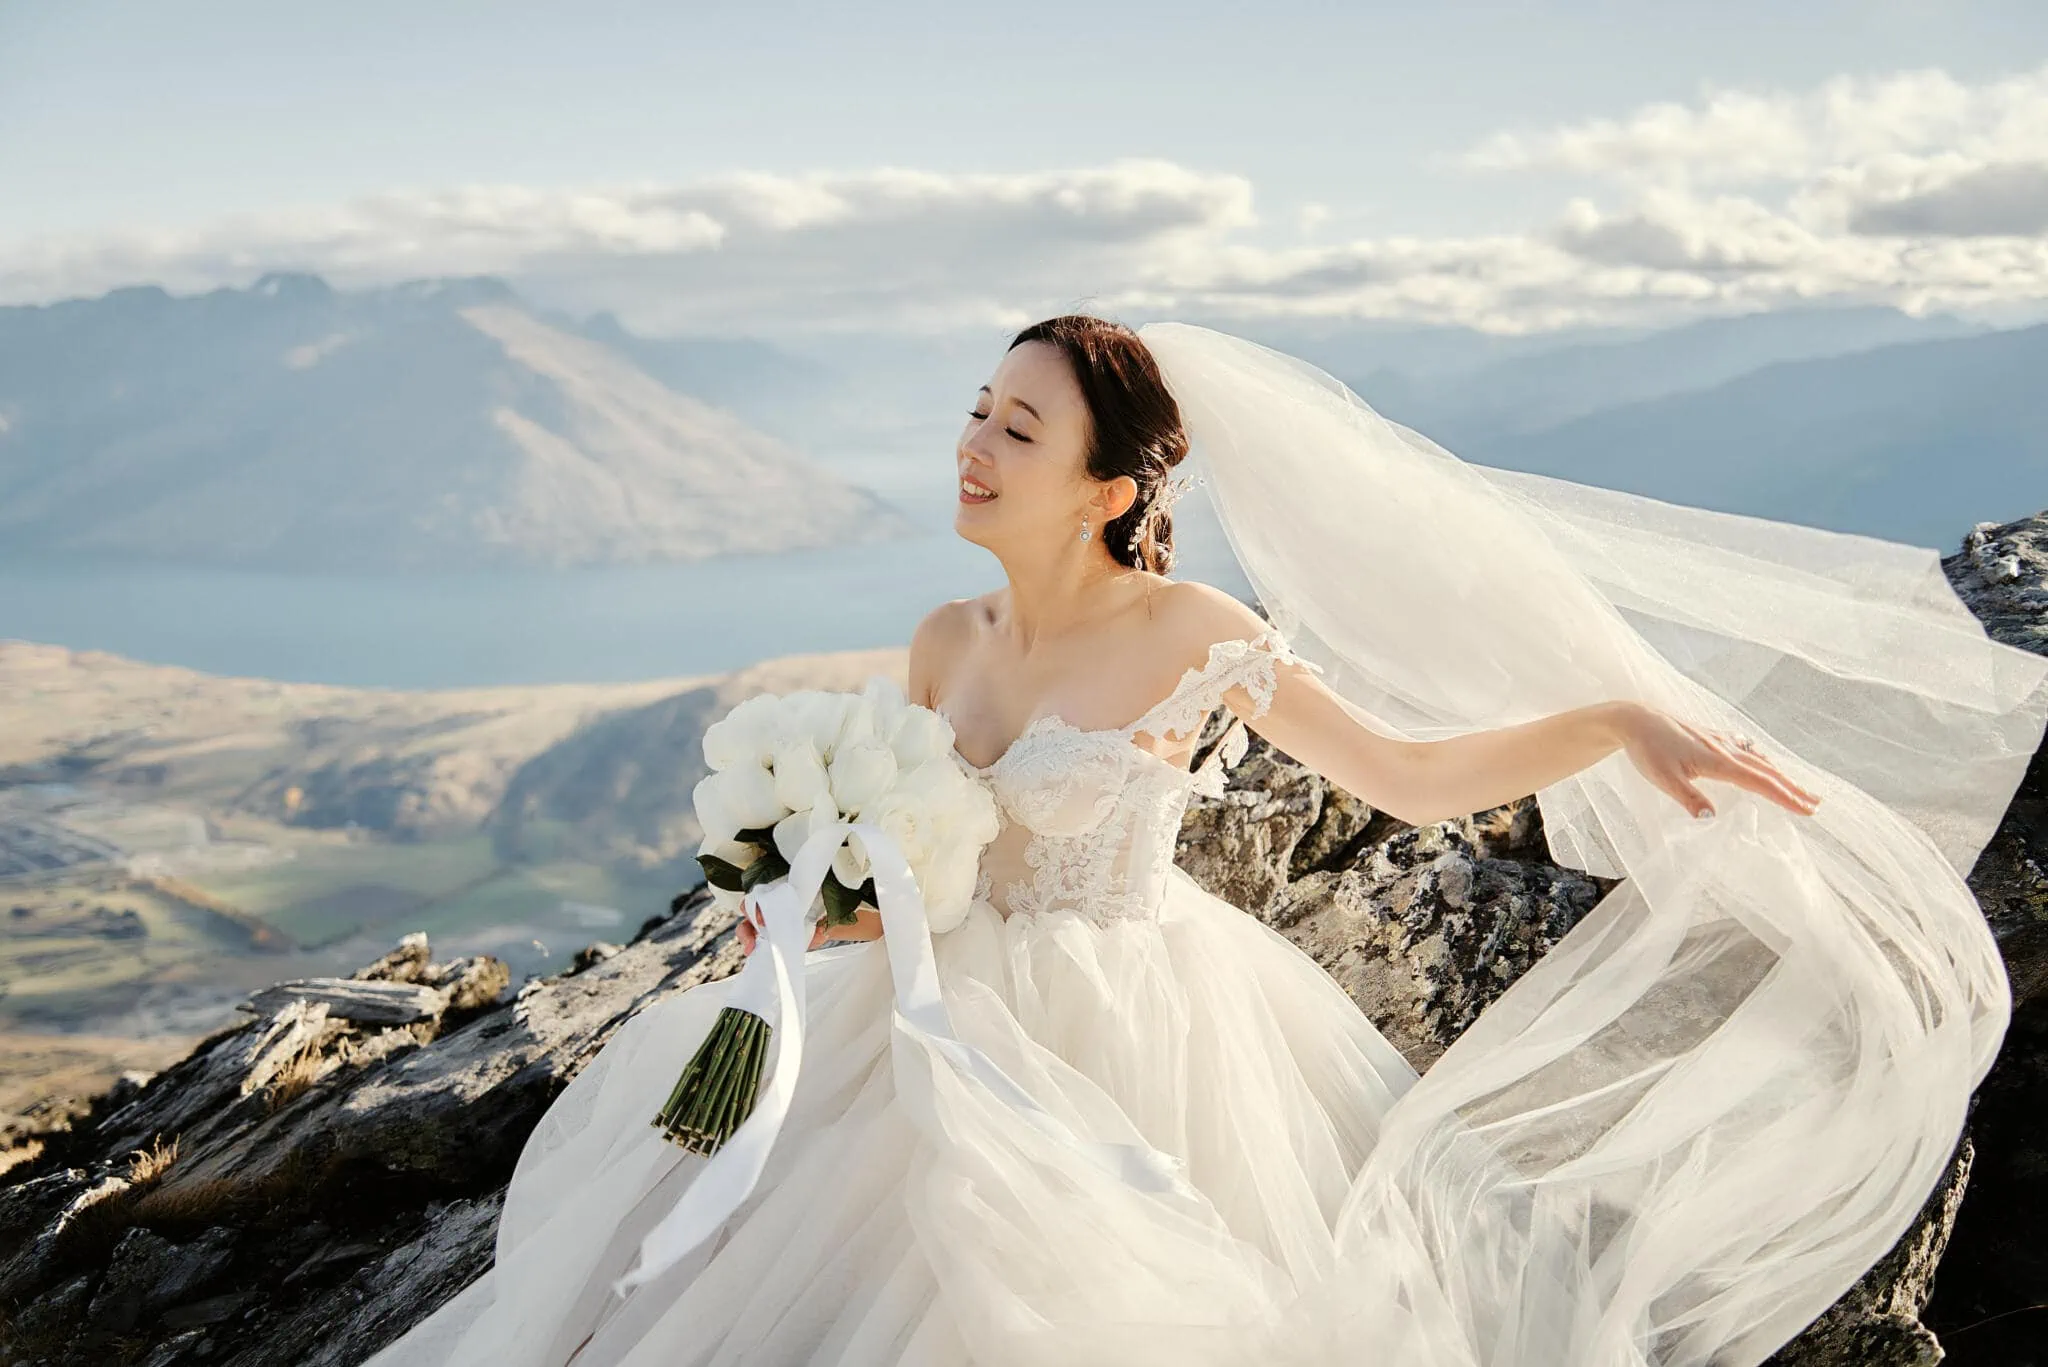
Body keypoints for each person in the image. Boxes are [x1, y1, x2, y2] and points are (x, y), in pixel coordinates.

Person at [363, 316, 2048, 1367]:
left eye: (1019, 428)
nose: (973, 442)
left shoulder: (1193, 631)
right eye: (974, 409)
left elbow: (1412, 771)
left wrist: (1617, 721)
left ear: (1109, 482)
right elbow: (915, 851)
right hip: (916, 1022)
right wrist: (814, 905)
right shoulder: (943, 641)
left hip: (1129, 1031)